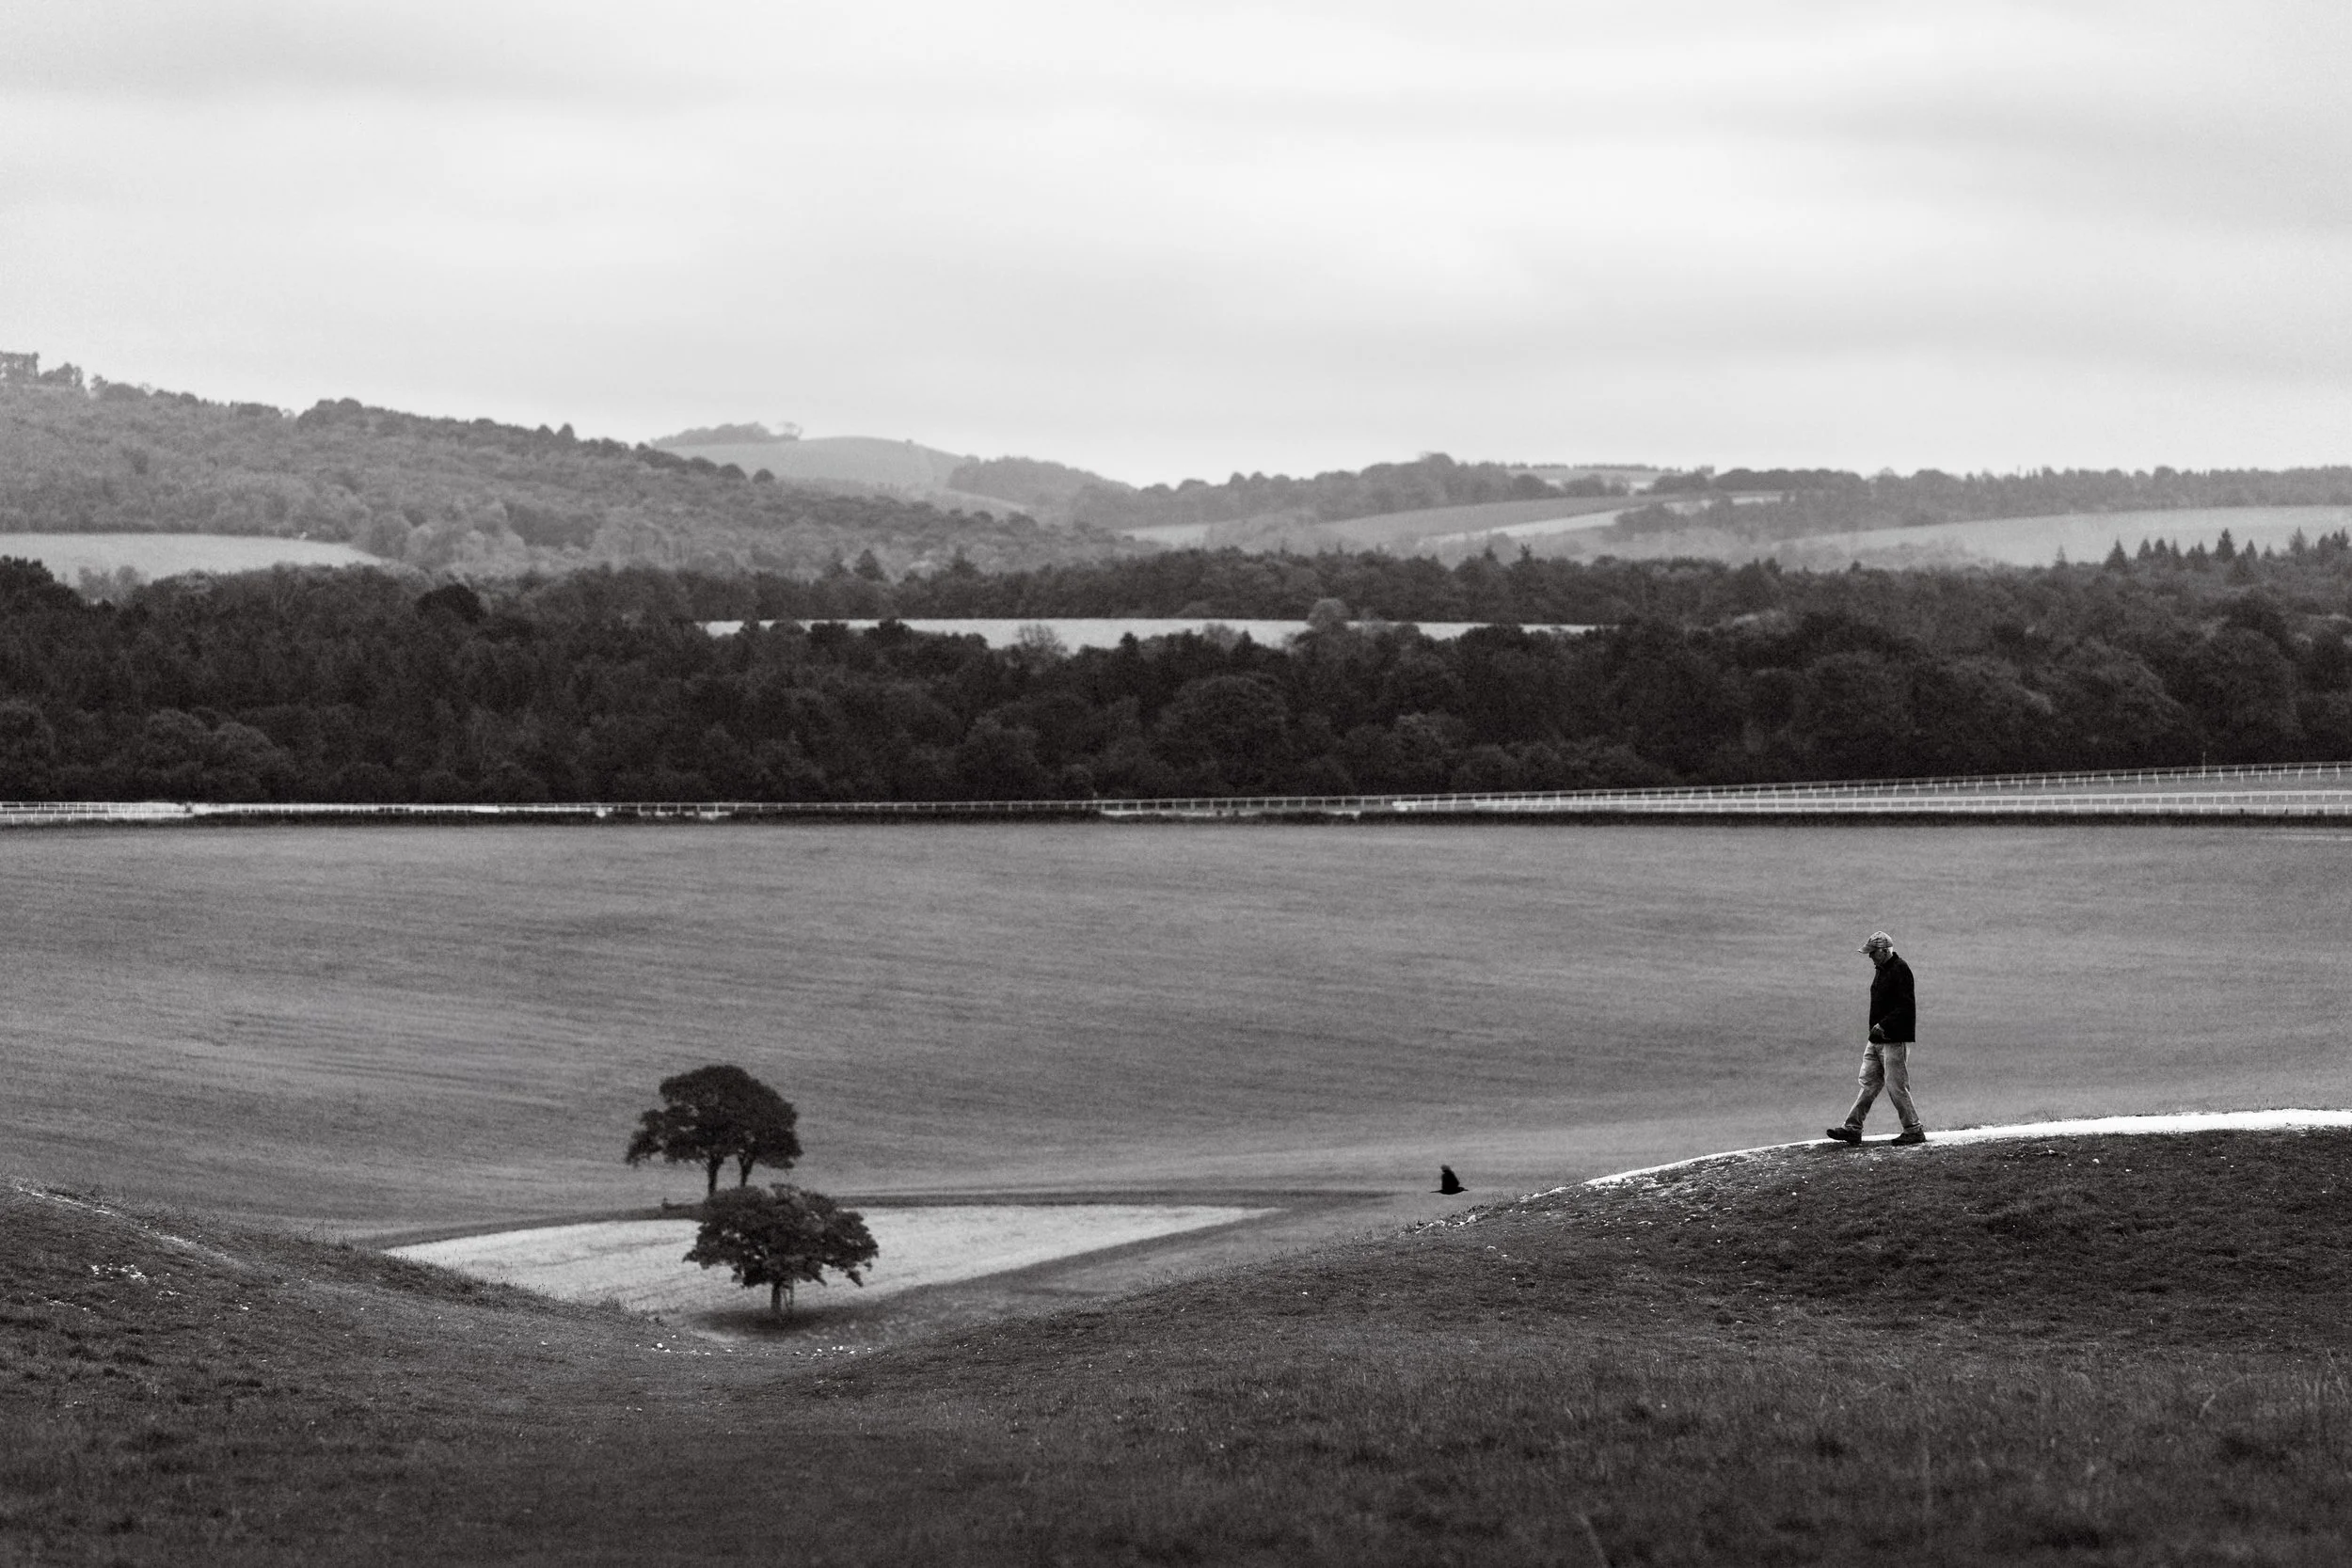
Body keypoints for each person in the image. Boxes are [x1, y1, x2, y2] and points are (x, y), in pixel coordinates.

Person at [1825, 930, 1925, 1145]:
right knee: (1868, 1083)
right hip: (1876, 1039)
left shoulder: (1900, 969)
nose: (1870, 956)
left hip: (1893, 1039)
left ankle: (1914, 1129)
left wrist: (1884, 1024)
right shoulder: (1881, 969)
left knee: (1896, 1085)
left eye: (1873, 952)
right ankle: (1852, 1128)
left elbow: (1906, 1007)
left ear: (1884, 950)